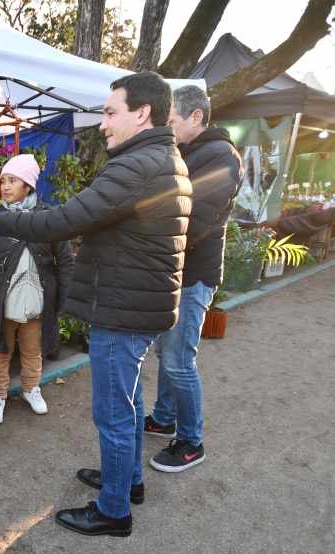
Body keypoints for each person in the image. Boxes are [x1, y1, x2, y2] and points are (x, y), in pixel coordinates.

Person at [0, 71, 192, 537]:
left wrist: (0, 222)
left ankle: (114, 511)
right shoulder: (161, 158)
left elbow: (68, 219)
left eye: (111, 113)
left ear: (142, 113)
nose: (103, 125)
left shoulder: (137, 165)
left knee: (114, 411)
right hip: (136, 303)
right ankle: (126, 482)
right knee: (129, 405)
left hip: (123, 307)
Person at [144, 85, 244, 473]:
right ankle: (165, 416)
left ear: (196, 117)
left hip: (193, 274)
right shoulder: (190, 151)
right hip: (177, 272)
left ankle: (191, 441)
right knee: (166, 353)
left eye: (172, 121)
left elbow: (194, 219)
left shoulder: (220, 156)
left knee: (178, 359)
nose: (167, 129)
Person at [0, 154, 73, 424]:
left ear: (28, 186)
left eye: (13, 181)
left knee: (33, 350)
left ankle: (32, 389)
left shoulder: (47, 217)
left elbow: (65, 261)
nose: (5, 187)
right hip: (1, 300)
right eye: (3, 181)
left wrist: (66, 299)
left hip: (36, 299)